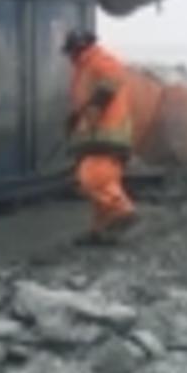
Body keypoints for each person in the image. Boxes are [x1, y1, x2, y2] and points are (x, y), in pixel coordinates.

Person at [62, 29, 139, 244]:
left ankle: (123, 211)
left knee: (93, 178)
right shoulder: (83, 68)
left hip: (107, 133)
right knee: (101, 182)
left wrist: (97, 103)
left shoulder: (98, 59)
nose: (69, 57)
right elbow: (87, 98)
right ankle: (101, 230)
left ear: (79, 47)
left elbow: (113, 77)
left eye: (71, 51)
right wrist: (77, 117)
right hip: (96, 134)